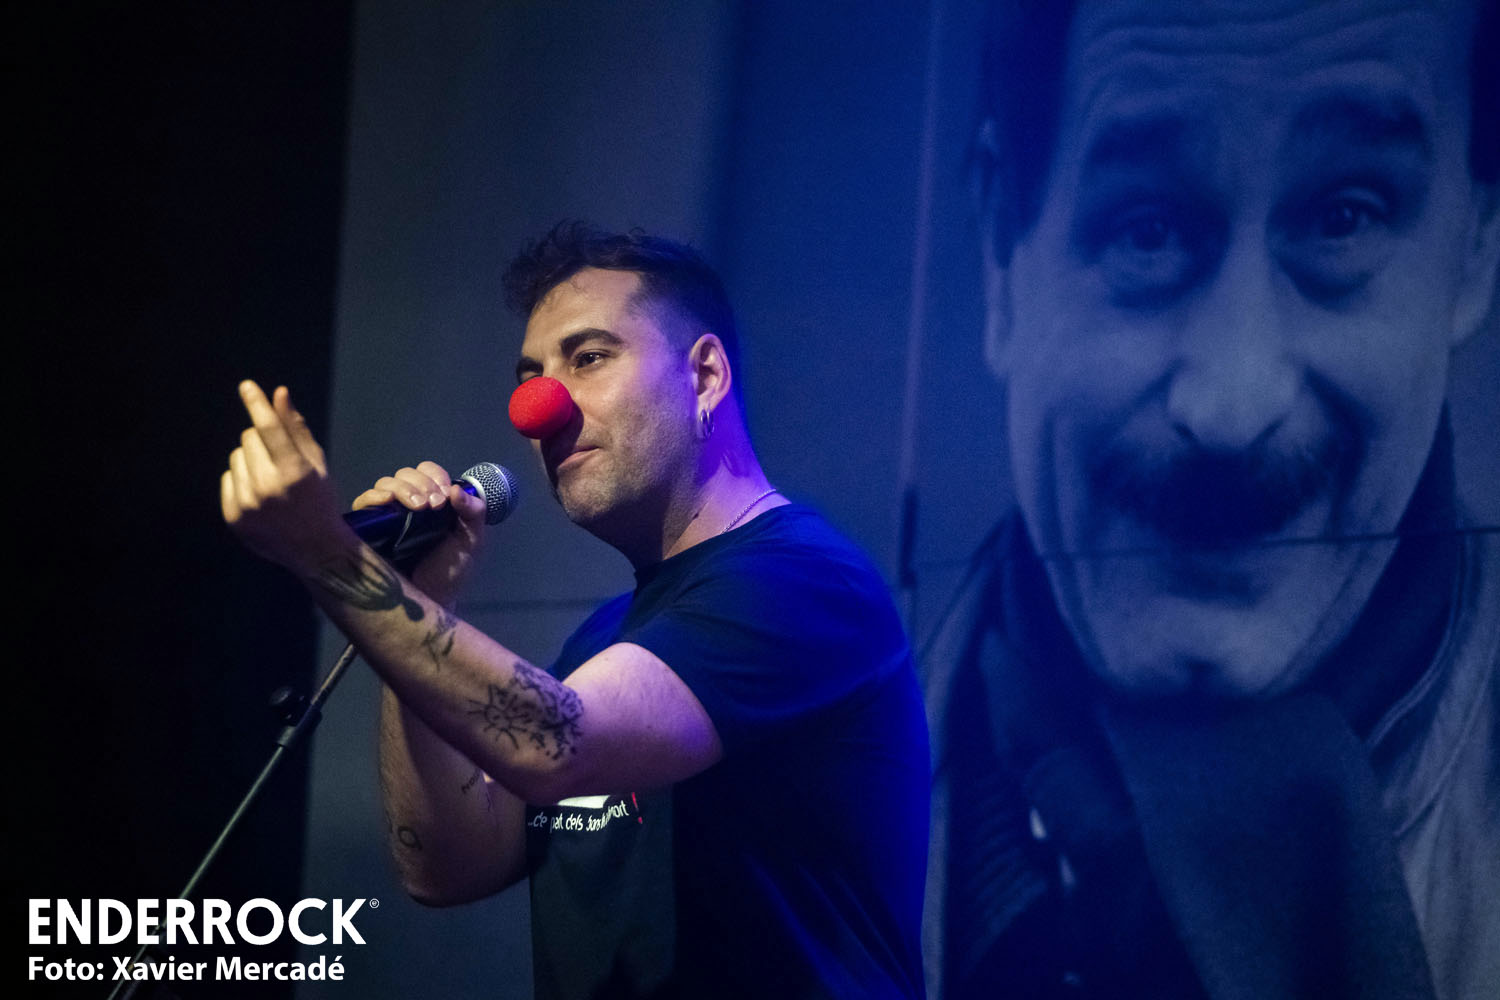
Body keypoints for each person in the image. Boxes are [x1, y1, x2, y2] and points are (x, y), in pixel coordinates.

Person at [923, 1, 1500, 998]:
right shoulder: (712, 822)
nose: (1234, 405)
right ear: (1001, 255)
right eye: (1146, 230)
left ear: (1477, 246)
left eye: (1345, 216)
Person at [221, 223, 928, 999]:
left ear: (704, 376)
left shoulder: (805, 583)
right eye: (531, 373)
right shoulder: (602, 643)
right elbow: (446, 866)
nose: (540, 409)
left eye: (588, 358)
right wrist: (420, 599)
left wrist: (328, 554)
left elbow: (559, 743)